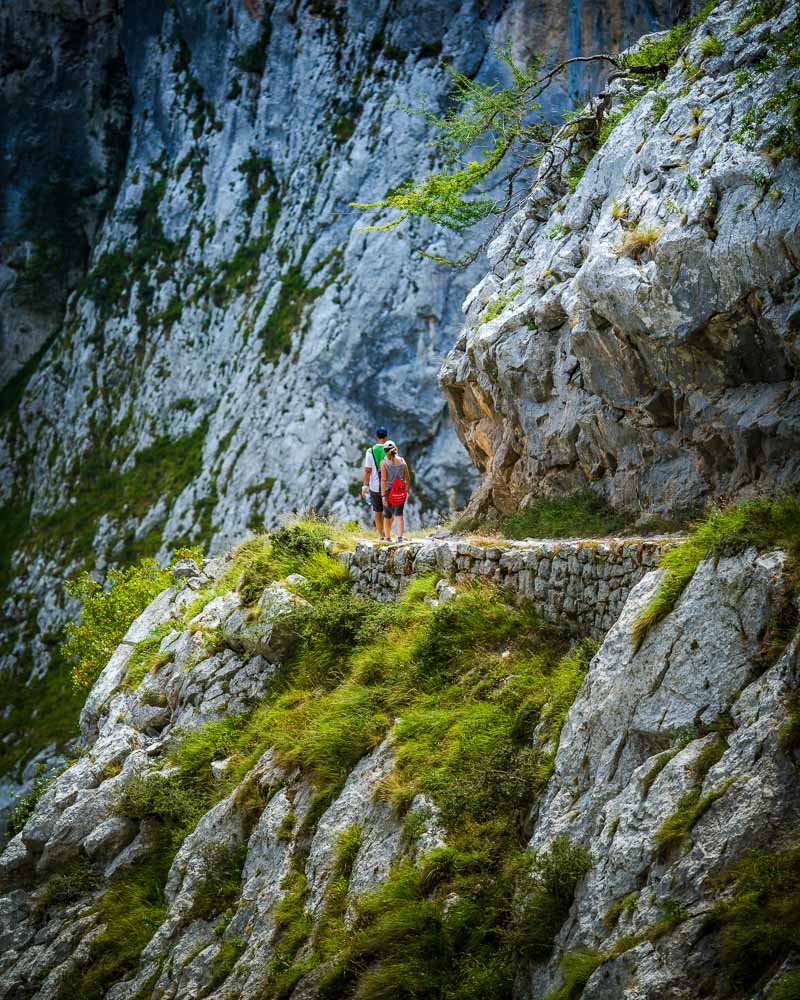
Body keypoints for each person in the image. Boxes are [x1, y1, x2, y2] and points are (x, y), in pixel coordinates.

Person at [361, 427, 389, 541]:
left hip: (374, 487)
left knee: (377, 511)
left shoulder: (370, 451)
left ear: (376, 437)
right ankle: (388, 533)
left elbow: (368, 470)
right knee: (389, 511)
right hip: (388, 486)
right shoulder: (390, 449)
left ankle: (381, 535)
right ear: (387, 437)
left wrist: (365, 486)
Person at [380, 440, 409, 542]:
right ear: (395, 449)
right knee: (399, 515)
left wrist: (383, 496)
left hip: (388, 492)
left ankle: (387, 538)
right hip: (400, 491)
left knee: (387, 515)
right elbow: (407, 478)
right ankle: (400, 538)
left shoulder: (383, 463)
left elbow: (383, 480)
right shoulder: (402, 461)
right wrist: (405, 491)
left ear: (385, 451)